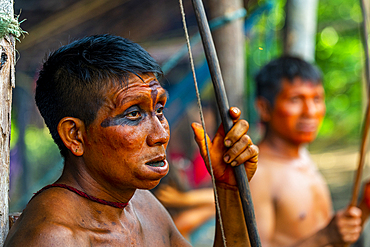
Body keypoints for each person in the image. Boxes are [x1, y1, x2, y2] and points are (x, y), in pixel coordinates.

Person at [4, 34, 259, 246]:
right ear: (75, 135)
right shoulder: (53, 238)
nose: (160, 134)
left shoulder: (142, 204)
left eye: (159, 109)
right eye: (133, 114)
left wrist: (229, 191)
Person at [250, 56, 363, 247]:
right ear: (264, 108)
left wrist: (364, 207)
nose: (310, 111)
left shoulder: (301, 155)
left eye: (317, 98)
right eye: (295, 99)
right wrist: (325, 237)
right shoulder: (257, 173)